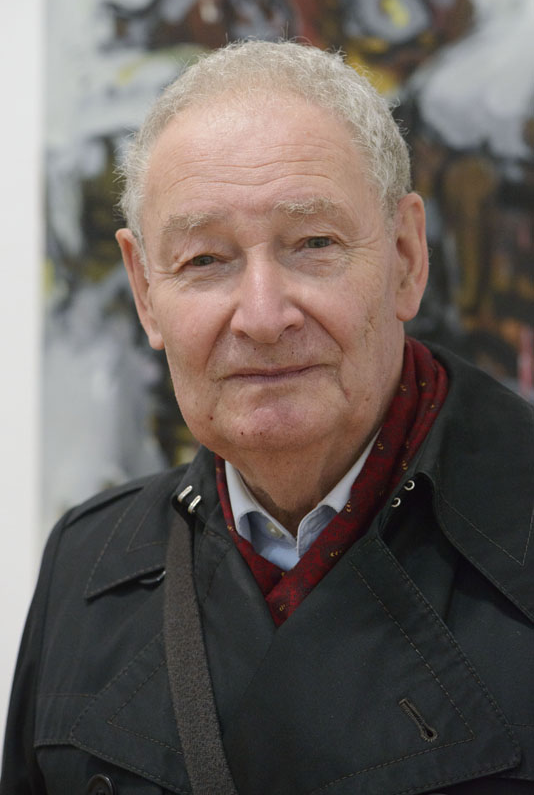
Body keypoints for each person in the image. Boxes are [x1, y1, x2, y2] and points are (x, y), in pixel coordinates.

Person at [2, 40, 533, 795]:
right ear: (145, 292)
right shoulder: (86, 566)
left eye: (314, 244)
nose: (261, 315)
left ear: (407, 257)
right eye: (205, 260)